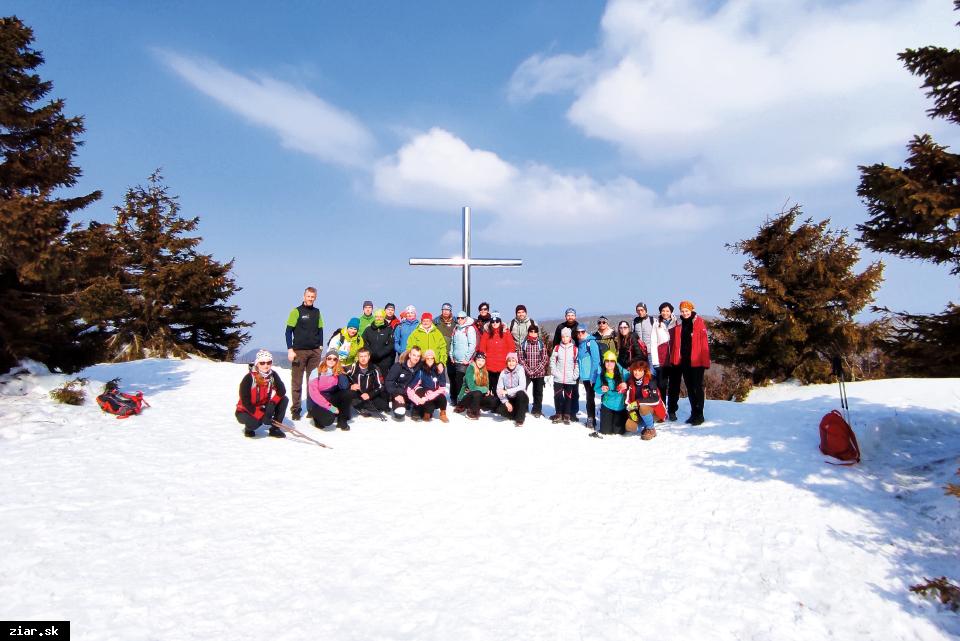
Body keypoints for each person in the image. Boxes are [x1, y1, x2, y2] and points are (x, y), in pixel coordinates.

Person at [668, 300, 711, 425]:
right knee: (690, 388)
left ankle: (700, 414)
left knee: (697, 387)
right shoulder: (680, 324)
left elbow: (704, 344)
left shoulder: (698, 322)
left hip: (697, 361)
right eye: (682, 311)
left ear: (691, 310)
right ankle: (693, 413)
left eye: (687, 311)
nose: (685, 313)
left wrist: (705, 361)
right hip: (685, 361)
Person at [285, 287, 324, 421]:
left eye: (313, 297)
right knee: (297, 381)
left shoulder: (317, 312)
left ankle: (311, 409)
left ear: (315, 298)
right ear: (304, 296)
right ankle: (296, 409)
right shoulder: (296, 311)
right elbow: (288, 331)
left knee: (312, 382)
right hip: (299, 351)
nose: (310, 299)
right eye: (308, 296)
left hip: (314, 351)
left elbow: (320, 330)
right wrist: (290, 349)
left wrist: (320, 347)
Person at [235, 350, 289, 438]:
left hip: (262, 406)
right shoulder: (249, 378)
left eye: (269, 362)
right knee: (256, 422)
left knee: (284, 399)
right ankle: (249, 429)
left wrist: (272, 404)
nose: (266, 365)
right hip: (245, 410)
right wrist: (260, 415)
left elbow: (281, 391)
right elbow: (245, 401)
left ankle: (275, 429)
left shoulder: (272, 375)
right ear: (257, 364)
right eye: (262, 363)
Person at [307, 350, 352, 430]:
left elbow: (344, 387)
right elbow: (314, 394)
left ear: (337, 361)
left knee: (347, 393)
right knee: (328, 420)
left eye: (334, 359)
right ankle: (317, 418)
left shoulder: (336, 372)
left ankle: (342, 420)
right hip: (317, 403)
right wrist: (331, 408)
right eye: (329, 358)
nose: (331, 360)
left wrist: (340, 373)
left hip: (330, 398)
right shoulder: (316, 372)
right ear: (325, 359)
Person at [344, 347, 390, 418]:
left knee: (383, 406)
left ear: (369, 357)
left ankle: (364, 406)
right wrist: (350, 386)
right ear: (358, 357)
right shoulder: (352, 368)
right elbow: (341, 377)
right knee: (351, 396)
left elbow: (381, 386)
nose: (363, 359)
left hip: (369, 394)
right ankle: (358, 406)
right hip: (356, 394)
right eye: (361, 356)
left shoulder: (375, 369)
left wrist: (370, 394)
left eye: (365, 356)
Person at [406, 349, 449, 422]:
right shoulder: (421, 370)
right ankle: (427, 412)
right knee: (429, 404)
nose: (429, 360)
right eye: (427, 358)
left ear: (434, 359)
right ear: (425, 359)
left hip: (435, 392)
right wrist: (418, 399)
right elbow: (411, 387)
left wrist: (430, 395)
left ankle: (443, 414)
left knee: (442, 398)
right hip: (425, 391)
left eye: (431, 358)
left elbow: (442, 387)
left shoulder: (439, 369)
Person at [477, 311, 516, 391]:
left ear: (500, 321)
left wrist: (508, 361)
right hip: (489, 366)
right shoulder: (486, 333)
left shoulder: (506, 333)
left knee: (501, 389)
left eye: (497, 321)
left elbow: (511, 348)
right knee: (490, 388)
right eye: (492, 321)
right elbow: (482, 348)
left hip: (502, 366)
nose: (495, 323)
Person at [593, 350, 628, 436]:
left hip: (620, 406)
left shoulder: (623, 373)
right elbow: (596, 388)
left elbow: (633, 381)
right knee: (605, 431)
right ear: (604, 362)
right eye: (607, 361)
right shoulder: (601, 374)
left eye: (612, 361)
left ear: (615, 362)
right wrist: (601, 389)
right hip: (607, 405)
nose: (609, 363)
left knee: (618, 432)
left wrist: (626, 384)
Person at [625, 358, 661, 440]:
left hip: (653, 410)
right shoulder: (630, 382)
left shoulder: (651, 380)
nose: (637, 373)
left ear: (644, 371)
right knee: (629, 426)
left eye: (639, 370)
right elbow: (627, 400)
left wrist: (638, 402)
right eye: (635, 370)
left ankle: (651, 429)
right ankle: (645, 424)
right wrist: (630, 409)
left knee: (643, 407)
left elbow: (656, 399)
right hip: (637, 410)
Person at [550, 327, 579, 424]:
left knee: (568, 397)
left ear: (570, 337)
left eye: (567, 336)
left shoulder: (575, 349)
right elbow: (552, 361)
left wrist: (575, 375)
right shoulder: (557, 348)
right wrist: (554, 372)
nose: (564, 338)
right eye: (563, 336)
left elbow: (577, 363)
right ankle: (558, 413)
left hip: (570, 378)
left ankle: (567, 414)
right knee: (557, 396)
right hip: (558, 377)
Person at [385, 346, 422, 421]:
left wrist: (440, 364)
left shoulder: (420, 367)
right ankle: (400, 404)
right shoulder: (399, 366)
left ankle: (415, 410)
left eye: (418, 356)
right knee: (400, 413)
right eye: (414, 355)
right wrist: (396, 394)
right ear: (409, 355)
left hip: (412, 392)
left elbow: (432, 365)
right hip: (399, 393)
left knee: (426, 409)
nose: (416, 358)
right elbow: (389, 382)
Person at [517, 324, 546, 418]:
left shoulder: (541, 344)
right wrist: (528, 370)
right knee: (523, 390)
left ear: (537, 333)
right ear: (528, 332)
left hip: (539, 373)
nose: (533, 333)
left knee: (538, 392)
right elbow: (521, 358)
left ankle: (537, 409)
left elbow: (545, 358)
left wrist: (536, 370)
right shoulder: (524, 344)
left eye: (535, 331)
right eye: (531, 331)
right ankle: (523, 407)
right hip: (526, 372)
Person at [456, 352, 496, 420]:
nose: (481, 362)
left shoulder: (485, 371)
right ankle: (472, 413)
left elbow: (487, 386)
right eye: (479, 360)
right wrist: (485, 389)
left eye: (483, 360)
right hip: (465, 398)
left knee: (491, 399)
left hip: (477, 396)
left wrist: (486, 390)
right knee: (477, 393)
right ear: (475, 360)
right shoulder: (470, 368)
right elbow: (472, 387)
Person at [576, 323, 601, 428]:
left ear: (586, 331)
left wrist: (592, 376)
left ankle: (591, 419)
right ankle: (591, 418)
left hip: (591, 376)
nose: (580, 334)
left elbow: (596, 360)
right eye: (578, 332)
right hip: (585, 376)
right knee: (589, 397)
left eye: (582, 331)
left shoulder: (591, 342)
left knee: (591, 397)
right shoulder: (581, 343)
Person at [448, 310, 477, 402]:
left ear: (465, 318)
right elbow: (453, 343)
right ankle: (458, 400)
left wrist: (467, 358)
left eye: (462, 318)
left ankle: (462, 401)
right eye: (458, 318)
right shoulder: (456, 328)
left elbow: (472, 345)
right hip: (455, 360)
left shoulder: (469, 328)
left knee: (463, 382)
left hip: (464, 361)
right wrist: (451, 355)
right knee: (456, 381)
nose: (460, 320)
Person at [651, 302, 677, 405]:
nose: (665, 313)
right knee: (661, 385)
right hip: (661, 360)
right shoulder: (657, 325)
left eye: (667, 311)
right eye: (663, 311)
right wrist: (655, 362)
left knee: (674, 386)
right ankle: (662, 408)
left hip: (674, 360)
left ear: (671, 312)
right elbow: (653, 343)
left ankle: (672, 409)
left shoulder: (676, 323)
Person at [496, 352, 529, 426]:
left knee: (520, 393)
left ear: (516, 362)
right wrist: (506, 402)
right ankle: (516, 413)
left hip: (521, 397)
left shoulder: (520, 370)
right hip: (510, 398)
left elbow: (522, 386)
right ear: (507, 362)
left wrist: (507, 391)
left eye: (513, 361)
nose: (511, 363)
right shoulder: (503, 373)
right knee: (500, 410)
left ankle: (520, 419)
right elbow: (499, 389)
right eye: (509, 361)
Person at [362, 308, 396, 378]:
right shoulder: (368, 329)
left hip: (384, 360)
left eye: (380, 317)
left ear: (383, 317)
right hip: (371, 359)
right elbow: (364, 342)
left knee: (384, 379)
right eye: (377, 316)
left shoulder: (389, 329)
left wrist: (381, 354)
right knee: (371, 378)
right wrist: (370, 352)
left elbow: (391, 344)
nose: (378, 318)